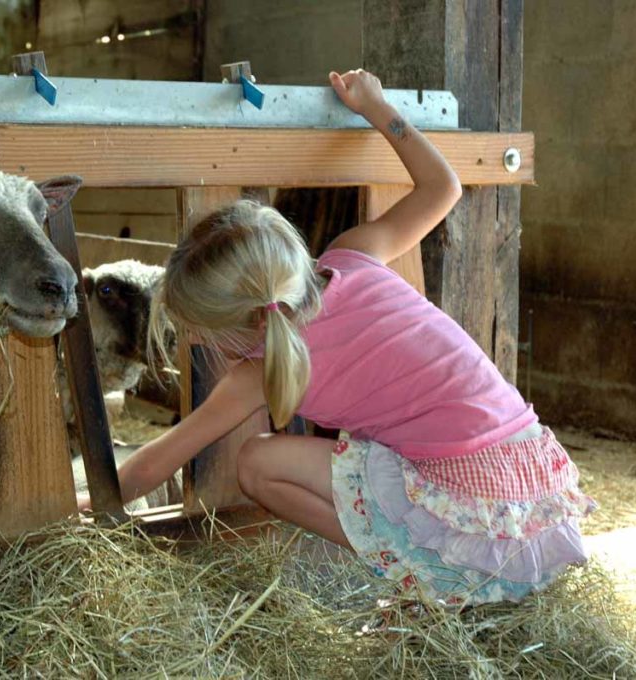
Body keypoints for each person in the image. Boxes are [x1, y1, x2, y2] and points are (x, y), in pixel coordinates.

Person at [80, 68, 595, 605]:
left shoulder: (256, 373)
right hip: (531, 480)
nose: (195, 343)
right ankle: (436, 572)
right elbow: (444, 187)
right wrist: (376, 108)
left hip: (468, 499)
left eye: (199, 332)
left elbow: (158, 459)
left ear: (249, 324)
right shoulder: (353, 257)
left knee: (256, 463)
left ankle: (424, 577)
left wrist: (78, 510)